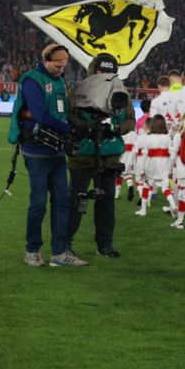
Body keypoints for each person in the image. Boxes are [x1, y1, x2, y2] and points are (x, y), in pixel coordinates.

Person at [8, 43, 87, 268]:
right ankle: (32, 250)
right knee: (39, 203)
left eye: (64, 64)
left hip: (57, 150)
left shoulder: (59, 80)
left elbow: (60, 113)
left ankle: (60, 253)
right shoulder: (32, 80)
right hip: (37, 151)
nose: (61, 68)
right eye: (57, 64)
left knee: (63, 201)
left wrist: (72, 127)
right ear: (45, 60)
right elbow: (41, 115)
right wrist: (70, 129)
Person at [66, 54, 135, 260]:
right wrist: (90, 128)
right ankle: (65, 244)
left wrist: (114, 130)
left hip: (110, 155)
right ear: (93, 70)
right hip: (83, 153)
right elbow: (70, 116)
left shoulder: (122, 93)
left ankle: (105, 245)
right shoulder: (77, 90)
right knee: (77, 200)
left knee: (106, 203)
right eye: (100, 71)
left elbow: (130, 120)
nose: (104, 75)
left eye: (109, 71)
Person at [133, 116, 172, 217]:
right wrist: (170, 168)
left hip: (151, 167)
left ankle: (143, 210)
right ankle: (173, 205)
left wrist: (141, 170)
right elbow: (171, 154)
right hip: (163, 167)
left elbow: (144, 156)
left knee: (146, 186)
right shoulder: (167, 138)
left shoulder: (148, 138)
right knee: (165, 188)